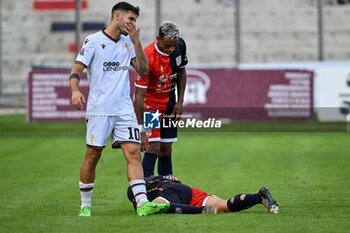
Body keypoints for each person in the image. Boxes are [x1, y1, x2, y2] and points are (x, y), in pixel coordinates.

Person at [69, 2, 169, 217]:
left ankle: (142, 203)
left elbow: (143, 70)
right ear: (117, 16)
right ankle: (85, 205)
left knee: (133, 153)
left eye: (135, 20)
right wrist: (75, 90)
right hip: (100, 109)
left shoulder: (129, 42)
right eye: (130, 19)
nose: (133, 23)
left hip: (124, 110)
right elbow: (76, 69)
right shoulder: (93, 41)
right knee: (93, 155)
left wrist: (136, 41)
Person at [134, 21, 188, 177]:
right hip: (151, 107)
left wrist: (180, 101)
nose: (171, 49)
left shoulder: (180, 46)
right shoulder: (147, 57)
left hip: (170, 106)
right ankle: (146, 188)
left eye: (173, 45)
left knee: (166, 148)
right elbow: (138, 95)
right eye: (167, 46)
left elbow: (182, 72)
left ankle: (168, 186)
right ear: (157, 38)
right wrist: (141, 129)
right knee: (153, 147)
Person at [127, 175, 279, 214]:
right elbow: (176, 179)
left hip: (173, 192)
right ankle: (259, 197)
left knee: (160, 207)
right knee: (225, 206)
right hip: (190, 191)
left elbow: (144, 206)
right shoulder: (159, 177)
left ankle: (202, 210)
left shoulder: (139, 188)